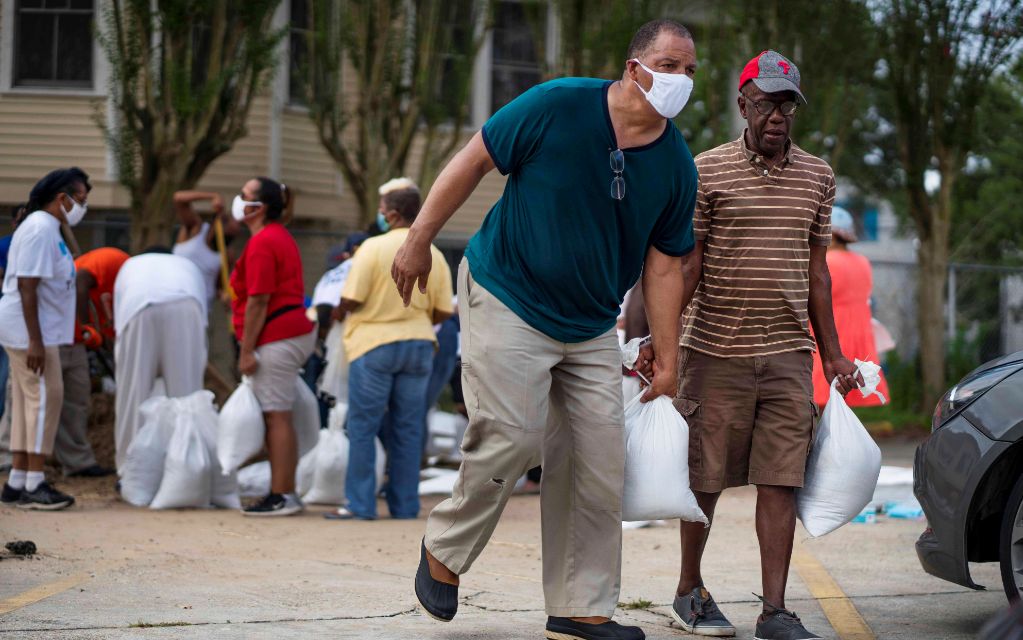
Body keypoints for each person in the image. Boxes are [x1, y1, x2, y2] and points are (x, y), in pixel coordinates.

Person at [392, 19, 698, 640]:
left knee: (597, 462)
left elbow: (665, 265)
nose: (679, 80)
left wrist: (667, 356)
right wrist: (417, 239)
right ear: (633, 66)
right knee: (514, 433)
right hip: (509, 291)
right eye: (669, 64)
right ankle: (444, 552)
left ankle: (581, 606)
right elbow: (474, 159)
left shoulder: (675, 164)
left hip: (588, 323)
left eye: (690, 71)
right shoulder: (556, 104)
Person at [650, 50, 860, 640]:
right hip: (714, 353)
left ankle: (774, 610)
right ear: (743, 104)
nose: (777, 116)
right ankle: (688, 590)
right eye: (766, 103)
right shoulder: (707, 170)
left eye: (787, 105)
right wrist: (660, 343)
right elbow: (685, 266)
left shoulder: (818, 176)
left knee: (781, 480)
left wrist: (835, 354)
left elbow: (818, 274)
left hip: (791, 356)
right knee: (705, 480)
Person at [323, 177, 453, 521]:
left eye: (382, 210)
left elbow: (351, 298)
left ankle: (361, 505)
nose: (379, 215)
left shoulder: (372, 248)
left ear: (393, 214)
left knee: (364, 425)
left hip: (374, 345)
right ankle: (405, 506)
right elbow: (443, 311)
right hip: (420, 345)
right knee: (409, 428)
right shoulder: (434, 253)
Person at [0, 168, 91, 510]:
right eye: (79, 200)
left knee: (27, 404)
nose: (82, 206)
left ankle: (18, 481)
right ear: (61, 198)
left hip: (31, 329)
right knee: (43, 401)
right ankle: (34, 484)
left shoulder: (47, 228)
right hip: (29, 332)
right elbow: (27, 286)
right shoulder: (40, 229)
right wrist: (36, 341)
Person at [230, 176, 315, 517]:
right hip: (289, 330)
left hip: (277, 335)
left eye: (245, 195)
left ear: (259, 207)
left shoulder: (264, 241)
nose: (239, 199)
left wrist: (246, 349)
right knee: (279, 414)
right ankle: (283, 490)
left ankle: (283, 494)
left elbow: (259, 300)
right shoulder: (277, 237)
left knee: (275, 416)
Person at [113, 252, 208, 470]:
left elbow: (120, 321)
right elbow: (202, 320)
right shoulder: (188, 263)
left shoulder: (130, 265)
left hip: (138, 307)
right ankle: (189, 467)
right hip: (186, 305)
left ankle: (129, 470)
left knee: (133, 394)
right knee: (187, 396)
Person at [52, 247, 128, 477]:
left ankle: (77, 462)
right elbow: (80, 282)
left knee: (76, 398)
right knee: (48, 399)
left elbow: (109, 329)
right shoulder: (116, 261)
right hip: (57, 331)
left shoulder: (123, 283)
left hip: (72, 337)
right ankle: (23, 461)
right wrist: (86, 328)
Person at [810, 206, 889, 409]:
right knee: (844, 398)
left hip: (828, 335)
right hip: (856, 335)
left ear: (831, 235)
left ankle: (820, 439)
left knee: (819, 392)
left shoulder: (825, 262)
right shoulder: (863, 262)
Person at [172, 190, 241, 302]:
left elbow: (220, 286)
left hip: (200, 306)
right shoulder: (195, 229)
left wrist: (225, 295)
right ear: (216, 223)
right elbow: (178, 198)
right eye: (226, 223)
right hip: (174, 297)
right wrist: (213, 196)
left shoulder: (227, 255)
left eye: (232, 236)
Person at [0, 204, 28, 473]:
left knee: (10, 387)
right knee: (8, 388)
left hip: (17, 326)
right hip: (10, 322)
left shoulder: (38, 243)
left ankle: (9, 454)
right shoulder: (6, 246)